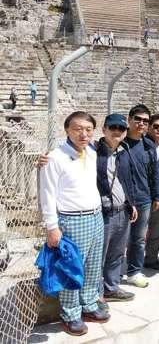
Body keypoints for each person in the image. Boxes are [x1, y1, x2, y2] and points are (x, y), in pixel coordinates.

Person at [39, 111, 109, 335]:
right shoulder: (54, 158)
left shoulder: (91, 152)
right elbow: (47, 194)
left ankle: (88, 304)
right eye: (78, 129)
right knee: (72, 269)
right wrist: (52, 226)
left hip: (95, 216)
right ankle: (70, 314)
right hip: (71, 219)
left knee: (92, 266)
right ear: (67, 129)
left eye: (88, 129)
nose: (84, 134)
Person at [97, 114, 138, 303]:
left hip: (123, 210)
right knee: (99, 256)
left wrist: (131, 203)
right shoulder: (92, 152)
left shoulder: (123, 152)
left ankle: (111, 288)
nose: (116, 131)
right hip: (103, 213)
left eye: (121, 128)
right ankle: (96, 295)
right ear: (104, 129)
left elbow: (125, 181)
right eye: (112, 127)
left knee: (116, 254)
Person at [124, 104, 159, 288]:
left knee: (139, 239)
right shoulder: (119, 142)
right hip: (122, 201)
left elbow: (154, 172)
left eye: (145, 121)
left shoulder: (148, 145)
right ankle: (111, 273)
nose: (141, 123)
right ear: (129, 119)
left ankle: (133, 272)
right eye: (137, 119)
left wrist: (158, 195)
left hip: (143, 199)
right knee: (118, 240)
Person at [143, 114, 159, 270]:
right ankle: (135, 262)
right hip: (144, 194)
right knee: (138, 232)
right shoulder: (141, 144)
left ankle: (151, 259)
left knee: (157, 229)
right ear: (149, 127)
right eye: (156, 126)